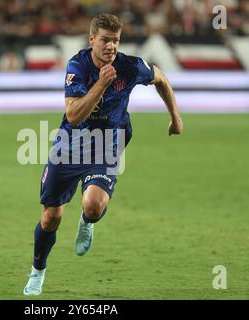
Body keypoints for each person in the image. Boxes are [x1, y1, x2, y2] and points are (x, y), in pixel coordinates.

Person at [23, 13, 183, 296]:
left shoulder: (130, 66)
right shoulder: (78, 66)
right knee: (50, 218)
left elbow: (161, 78)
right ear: (92, 39)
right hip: (70, 146)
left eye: (116, 41)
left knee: (93, 205)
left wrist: (175, 116)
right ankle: (38, 271)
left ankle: (87, 221)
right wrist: (101, 84)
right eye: (105, 40)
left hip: (107, 145)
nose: (111, 46)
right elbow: (72, 115)